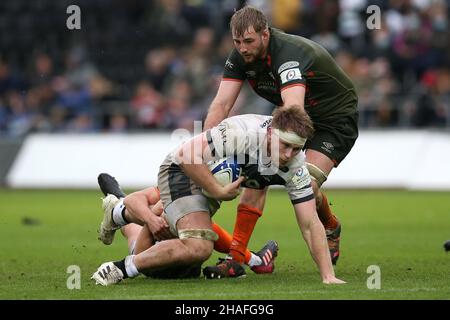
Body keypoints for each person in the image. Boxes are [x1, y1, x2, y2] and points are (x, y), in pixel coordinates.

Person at [91, 108, 345, 285]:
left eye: (297, 148)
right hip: (183, 170)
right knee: (199, 245)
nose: (290, 154)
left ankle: (116, 212)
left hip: (208, 186)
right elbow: (186, 155)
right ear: (271, 134)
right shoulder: (241, 133)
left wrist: (327, 275)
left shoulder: (296, 166)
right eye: (285, 145)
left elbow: (310, 224)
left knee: (174, 260)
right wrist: (216, 189)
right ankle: (119, 268)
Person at [203, 5, 359, 271]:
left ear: (266, 34)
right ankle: (236, 257)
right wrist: (203, 153)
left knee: (306, 185)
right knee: (256, 175)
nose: (242, 48)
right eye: (237, 42)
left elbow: (293, 109)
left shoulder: (287, 54)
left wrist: (272, 149)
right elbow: (221, 105)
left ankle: (330, 225)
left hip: (333, 121)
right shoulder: (241, 55)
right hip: (295, 119)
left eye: (249, 41)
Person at [93, 173, 279, 280]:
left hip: (155, 260)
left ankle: (117, 205)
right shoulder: (185, 186)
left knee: (140, 225)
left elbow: (138, 253)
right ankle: (117, 206)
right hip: (178, 261)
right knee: (192, 223)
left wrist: (152, 219)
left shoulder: (181, 189)